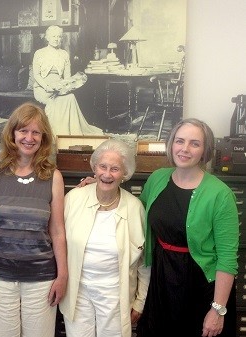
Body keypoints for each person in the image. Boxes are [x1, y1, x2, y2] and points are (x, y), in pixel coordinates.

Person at [136, 118, 239, 337]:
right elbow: (134, 211)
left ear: (205, 150)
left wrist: (217, 309)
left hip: (201, 286)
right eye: (180, 141)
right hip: (162, 279)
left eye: (194, 143)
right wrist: (96, 187)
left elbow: (227, 258)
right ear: (171, 143)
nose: (184, 149)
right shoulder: (157, 179)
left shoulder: (220, 194)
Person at [0, 102, 68, 337]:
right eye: (23, 130)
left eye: (36, 132)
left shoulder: (53, 177)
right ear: (12, 134)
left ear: (43, 137)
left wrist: (62, 275)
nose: (29, 137)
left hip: (41, 280)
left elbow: (57, 231)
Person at [60, 138, 150, 337]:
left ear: (125, 174)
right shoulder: (74, 199)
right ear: (94, 167)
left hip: (115, 295)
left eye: (115, 169)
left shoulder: (135, 208)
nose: (107, 174)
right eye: (103, 166)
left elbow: (144, 261)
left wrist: (140, 301)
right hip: (77, 292)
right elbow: (58, 244)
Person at [33, 25, 103, 136]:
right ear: (47, 37)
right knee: (56, 102)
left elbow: (67, 77)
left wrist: (66, 87)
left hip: (59, 86)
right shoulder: (39, 53)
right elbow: (36, 75)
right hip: (42, 88)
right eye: (53, 36)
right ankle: (54, 135)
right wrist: (47, 87)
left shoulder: (64, 54)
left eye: (59, 36)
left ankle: (68, 134)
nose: (56, 39)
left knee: (70, 97)